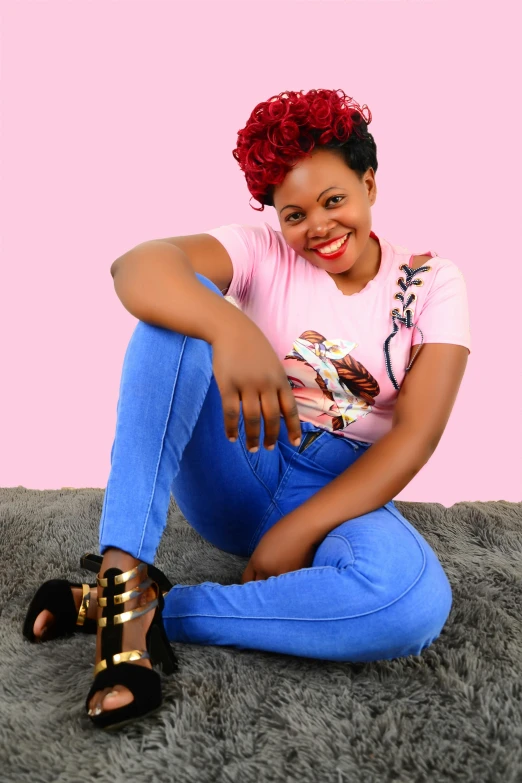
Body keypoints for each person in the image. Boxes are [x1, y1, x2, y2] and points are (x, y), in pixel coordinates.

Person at [23, 88, 471, 731]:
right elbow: (136, 267)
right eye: (295, 213)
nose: (317, 226)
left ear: (370, 183)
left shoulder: (431, 282)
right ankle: (124, 580)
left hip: (343, 490)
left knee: (408, 603)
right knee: (170, 316)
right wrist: (229, 331)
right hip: (241, 461)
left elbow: (417, 437)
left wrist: (299, 530)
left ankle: (152, 611)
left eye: (335, 200)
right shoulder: (263, 250)